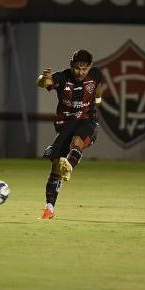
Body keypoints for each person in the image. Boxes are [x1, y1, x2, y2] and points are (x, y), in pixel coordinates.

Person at [36, 49, 102, 220]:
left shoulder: (96, 75)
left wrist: (97, 104)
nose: (80, 72)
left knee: (78, 141)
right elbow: (43, 83)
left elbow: (98, 88)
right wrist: (43, 78)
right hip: (66, 123)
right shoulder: (62, 77)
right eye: (77, 68)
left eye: (84, 69)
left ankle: (70, 166)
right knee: (56, 164)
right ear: (71, 65)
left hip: (87, 119)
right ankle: (49, 208)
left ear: (90, 67)